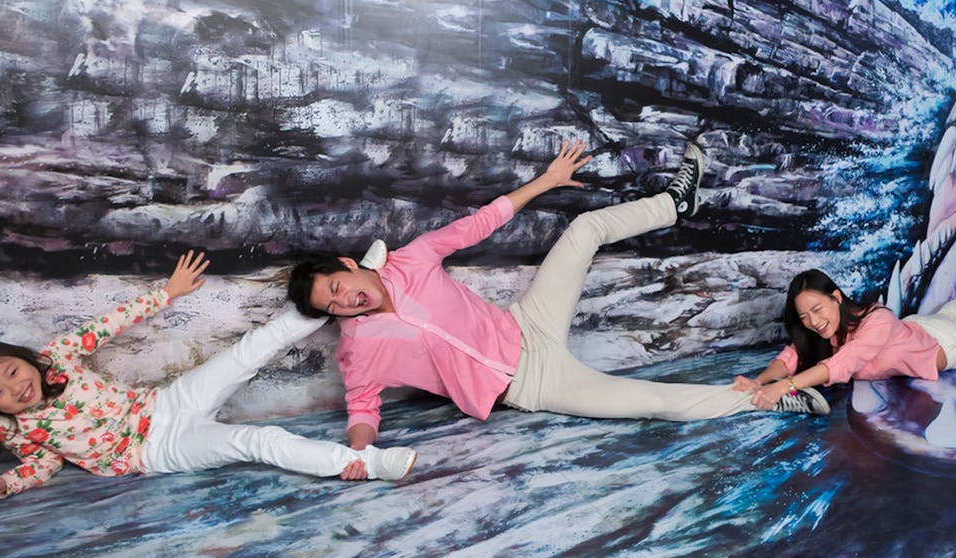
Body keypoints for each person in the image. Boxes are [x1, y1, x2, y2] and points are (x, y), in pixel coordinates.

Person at [287, 140, 829, 450]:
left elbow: (482, 223)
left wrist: (546, 181)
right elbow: (362, 404)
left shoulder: (412, 259)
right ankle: (776, 397)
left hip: (527, 322)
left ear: (347, 265)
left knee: (584, 229)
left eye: (338, 287)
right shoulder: (356, 348)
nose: (344, 302)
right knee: (654, 402)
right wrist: (358, 453)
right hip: (529, 382)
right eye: (331, 306)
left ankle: (673, 205)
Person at [0, 251, 416, 502]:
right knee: (256, 441)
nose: (16, 388)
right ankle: (368, 464)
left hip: (164, 403)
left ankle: (350, 289)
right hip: (153, 451)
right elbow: (43, 464)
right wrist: (8, 483)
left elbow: (110, 323)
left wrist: (166, 293)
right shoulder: (16, 429)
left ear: (22, 358)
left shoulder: (56, 359)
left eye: (11, 371)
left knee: (246, 353)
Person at [733, 268, 956, 407]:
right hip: (918, 326)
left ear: (836, 297)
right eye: (804, 317)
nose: (813, 322)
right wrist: (759, 380)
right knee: (949, 311)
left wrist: (785, 387)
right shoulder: (822, 331)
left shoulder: (877, 318)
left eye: (817, 310)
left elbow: (845, 363)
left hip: (948, 346)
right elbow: (792, 355)